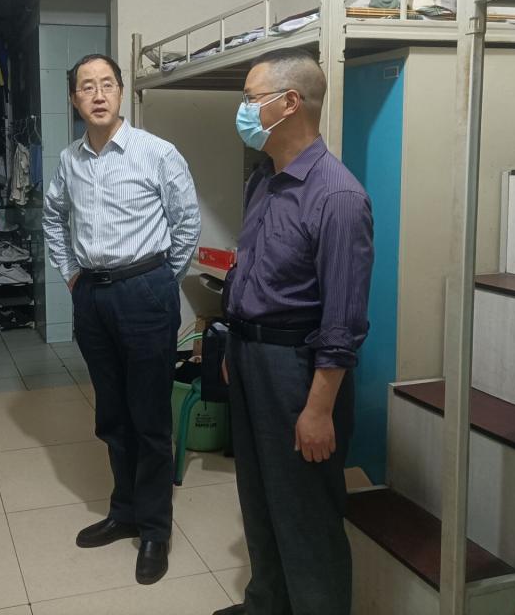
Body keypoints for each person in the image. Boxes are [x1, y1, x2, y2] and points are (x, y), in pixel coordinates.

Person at [213, 48, 373, 615]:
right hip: (251, 356)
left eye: (251, 98)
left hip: (297, 371)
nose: (243, 110)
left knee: (306, 513)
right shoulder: (264, 179)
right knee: (258, 495)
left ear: (289, 103)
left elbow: (343, 319)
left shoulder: (337, 196)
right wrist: (235, 342)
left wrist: (319, 408)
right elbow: (251, 269)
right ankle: (267, 604)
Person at [42, 53, 201, 585]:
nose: (98, 94)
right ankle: (124, 510)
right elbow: (52, 216)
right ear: (74, 99)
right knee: (112, 415)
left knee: (150, 418)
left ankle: (155, 529)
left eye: (107, 84)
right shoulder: (70, 161)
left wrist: (160, 281)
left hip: (145, 290)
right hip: (92, 296)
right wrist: (71, 274)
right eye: (87, 86)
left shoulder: (157, 153)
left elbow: (186, 224)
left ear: (120, 92)